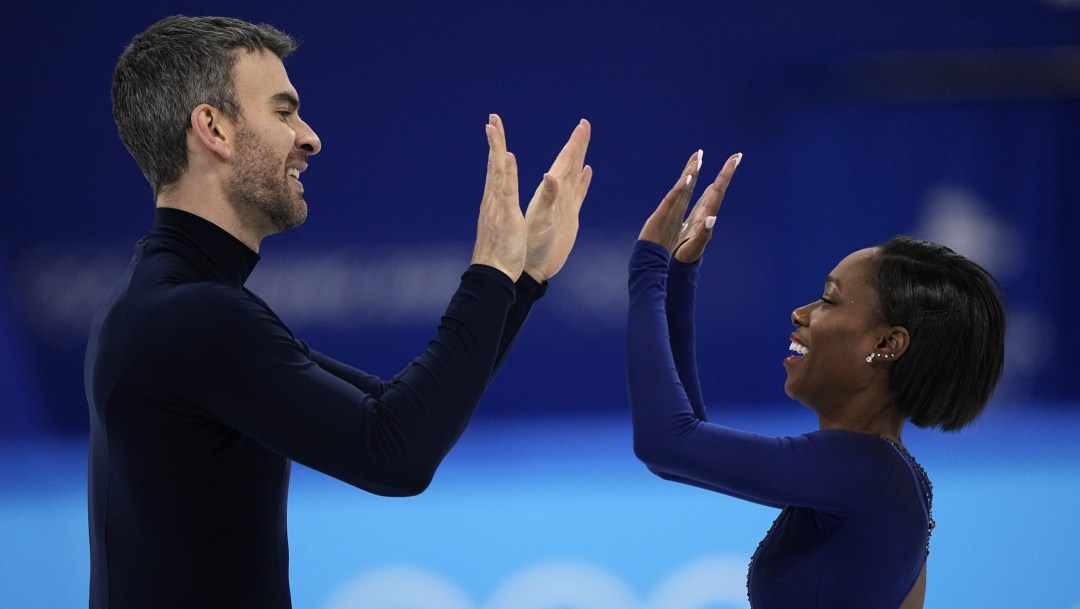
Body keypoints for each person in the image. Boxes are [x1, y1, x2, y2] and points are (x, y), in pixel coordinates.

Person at [86, 15, 592, 609]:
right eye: (282, 112)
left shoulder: (166, 302)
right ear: (214, 129)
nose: (309, 138)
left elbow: (395, 411)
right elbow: (396, 452)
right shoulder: (193, 316)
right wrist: (491, 271)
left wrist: (521, 277)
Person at [626, 151, 1005, 608]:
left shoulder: (863, 469)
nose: (800, 313)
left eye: (828, 301)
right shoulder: (887, 474)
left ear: (887, 343)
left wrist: (648, 265)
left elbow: (667, 442)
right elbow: (675, 455)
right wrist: (679, 275)